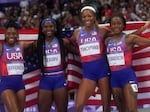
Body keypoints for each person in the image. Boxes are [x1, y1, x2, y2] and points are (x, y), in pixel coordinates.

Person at [64, 5, 112, 112]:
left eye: (89, 16)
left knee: (106, 107)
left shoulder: (103, 31)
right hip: (88, 74)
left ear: (94, 17)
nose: (87, 19)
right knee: (78, 106)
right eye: (84, 16)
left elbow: (120, 37)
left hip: (103, 72)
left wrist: (141, 30)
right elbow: (69, 43)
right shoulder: (77, 33)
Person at [105, 14, 150, 112]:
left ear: (123, 25)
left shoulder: (130, 39)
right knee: (121, 110)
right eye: (113, 24)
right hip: (114, 80)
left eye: (119, 23)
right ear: (110, 26)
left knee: (132, 109)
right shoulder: (107, 41)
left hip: (128, 78)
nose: (116, 26)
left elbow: (147, 42)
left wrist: (144, 28)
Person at [0, 20, 35, 112]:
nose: (11, 36)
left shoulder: (21, 45)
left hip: (20, 85)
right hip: (6, 85)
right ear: (5, 35)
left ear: (18, 35)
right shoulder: (1, 47)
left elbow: (35, 44)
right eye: (8, 33)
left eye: (14, 33)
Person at [37, 18, 69, 112]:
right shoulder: (37, 44)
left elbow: (78, 51)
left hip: (59, 79)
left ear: (55, 28)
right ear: (42, 29)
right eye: (45, 27)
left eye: (51, 26)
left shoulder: (63, 42)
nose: (48, 29)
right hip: (45, 80)